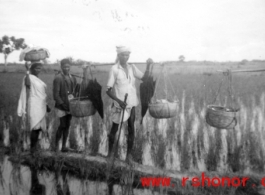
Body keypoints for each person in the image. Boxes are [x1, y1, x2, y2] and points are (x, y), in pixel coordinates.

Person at [106, 45, 152, 163]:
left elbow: (145, 78)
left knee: (132, 128)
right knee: (114, 129)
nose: (125, 57)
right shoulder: (114, 69)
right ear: (119, 55)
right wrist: (119, 101)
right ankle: (110, 154)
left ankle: (128, 157)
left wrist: (148, 65)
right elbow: (108, 90)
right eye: (123, 55)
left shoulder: (132, 68)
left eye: (127, 55)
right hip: (119, 105)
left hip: (131, 102)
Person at [17, 62, 51, 154]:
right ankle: (32, 149)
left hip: (41, 105)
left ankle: (35, 147)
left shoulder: (37, 79)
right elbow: (28, 85)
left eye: (40, 68)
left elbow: (42, 94)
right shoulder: (28, 77)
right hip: (34, 105)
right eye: (36, 68)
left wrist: (46, 105)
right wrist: (27, 71)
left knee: (40, 127)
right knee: (35, 127)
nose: (38, 70)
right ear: (32, 69)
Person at [53, 58, 77, 152]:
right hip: (61, 106)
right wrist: (63, 105)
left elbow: (74, 91)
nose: (67, 68)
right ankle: (55, 147)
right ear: (61, 67)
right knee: (62, 125)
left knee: (67, 125)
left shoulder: (72, 77)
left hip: (70, 105)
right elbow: (56, 95)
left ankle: (63, 147)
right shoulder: (58, 78)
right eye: (65, 67)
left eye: (68, 66)